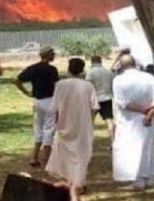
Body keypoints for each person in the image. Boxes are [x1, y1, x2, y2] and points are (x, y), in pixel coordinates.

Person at [46, 58, 99, 201]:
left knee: (67, 158)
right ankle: (75, 185)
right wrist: (90, 122)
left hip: (64, 126)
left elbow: (54, 108)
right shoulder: (88, 86)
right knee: (81, 158)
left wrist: (55, 124)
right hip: (83, 128)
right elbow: (94, 108)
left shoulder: (60, 85)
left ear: (68, 69)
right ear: (82, 70)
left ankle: (72, 185)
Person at [112, 55, 154, 191]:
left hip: (130, 119)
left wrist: (143, 110)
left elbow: (122, 102)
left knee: (132, 149)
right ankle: (149, 177)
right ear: (135, 63)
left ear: (121, 65)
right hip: (148, 118)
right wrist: (150, 112)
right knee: (147, 146)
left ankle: (139, 180)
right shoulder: (148, 77)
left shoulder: (118, 80)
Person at [15, 46, 59, 168]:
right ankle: (47, 159)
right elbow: (56, 86)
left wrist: (26, 92)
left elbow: (17, 80)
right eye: (53, 54)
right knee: (49, 129)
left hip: (37, 101)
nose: (54, 55)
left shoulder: (33, 68)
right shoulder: (52, 69)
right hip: (50, 100)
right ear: (49, 55)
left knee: (38, 129)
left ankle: (34, 157)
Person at [85, 55, 115, 140]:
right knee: (109, 120)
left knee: (90, 120)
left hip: (94, 99)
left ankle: (88, 140)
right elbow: (113, 85)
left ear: (92, 62)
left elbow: (88, 86)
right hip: (107, 98)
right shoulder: (108, 72)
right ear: (100, 61)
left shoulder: (90, 72)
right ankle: (113, 140)